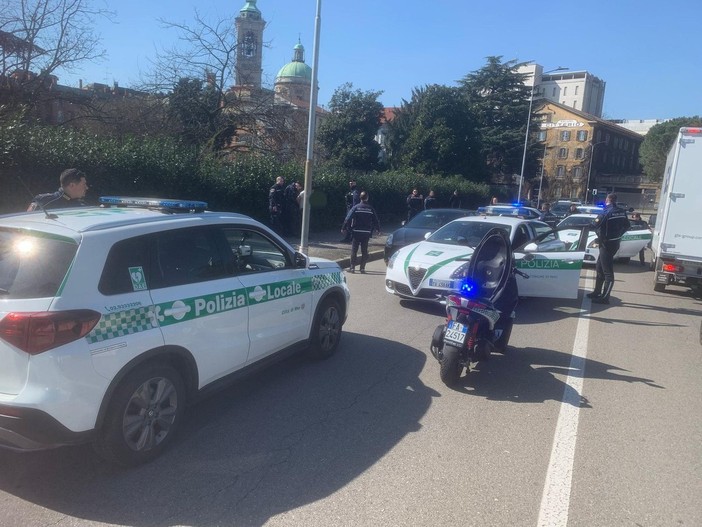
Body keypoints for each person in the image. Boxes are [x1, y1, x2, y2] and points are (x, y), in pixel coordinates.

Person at [587, 193, 631, 304]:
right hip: (614, 243)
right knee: (599, 268)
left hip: (606, 244)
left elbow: (594, 225)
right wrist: (618, 235)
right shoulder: (621, 211)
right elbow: (627, 226)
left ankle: (605, 298)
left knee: (608, 272)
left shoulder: (606, 212)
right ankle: (597, 292)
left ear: (608, 199)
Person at [341, 191, 380, 274]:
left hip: (356, 232)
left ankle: (352, 268)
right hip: (366, 232)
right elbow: (376, 219)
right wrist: (378, 229)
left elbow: (348, 218)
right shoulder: (370, 208)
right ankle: (362, 268)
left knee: (354, 250)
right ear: (367, 198)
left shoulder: (356, 207)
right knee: (364, 251)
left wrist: (344, 228)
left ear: (360, 198)